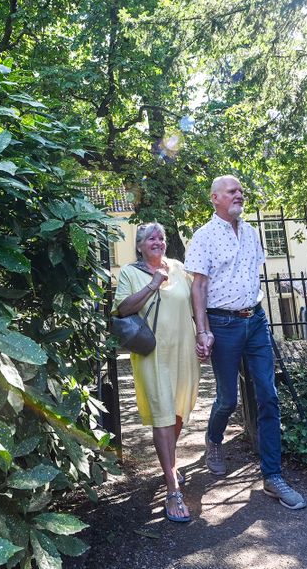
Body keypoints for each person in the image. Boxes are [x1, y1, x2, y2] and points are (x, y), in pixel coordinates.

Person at [185, 175, 307, 510]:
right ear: (215, 198)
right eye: (232, 191)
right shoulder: (203, 237)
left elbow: (252, 274)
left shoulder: (252, 233)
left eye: (241, 190)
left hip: (255, 320)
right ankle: (213, 440)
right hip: (222, 324)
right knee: (227, 398)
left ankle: (273, 476)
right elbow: (198, 288)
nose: (240, 194)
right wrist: (202, 329)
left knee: (268, 395)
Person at [114, 222, 200, 523]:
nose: (158, 242)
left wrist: (204, 333)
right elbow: (122, 309)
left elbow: (197, 301)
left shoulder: (178, 268)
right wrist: (152, 284)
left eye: (161, 238)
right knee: (163, 415)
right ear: (139, 245)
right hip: (153, 355)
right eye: (151, 238)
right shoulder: (129, 273)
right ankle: (172, 487)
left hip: (183, 351)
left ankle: (170, 464)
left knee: (176, 412)